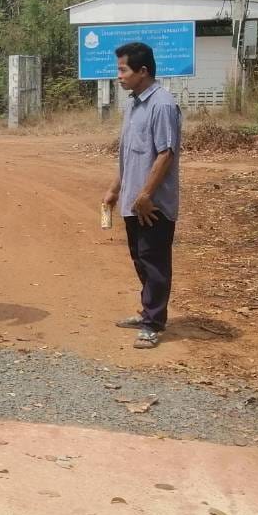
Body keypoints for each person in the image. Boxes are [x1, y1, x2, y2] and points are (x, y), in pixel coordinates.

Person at [103, 41, 182, 349]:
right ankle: (149, 312)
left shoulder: (162, 105)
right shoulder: (134, 104)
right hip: (133, 202)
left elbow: (166, 154)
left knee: (155, 261)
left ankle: (153, 323)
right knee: (140, 258)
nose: (119, 76)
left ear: (143, 71)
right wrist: (115, 189)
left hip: (153, 205)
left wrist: (147, 194)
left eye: (123, 70)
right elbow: (130, 155)